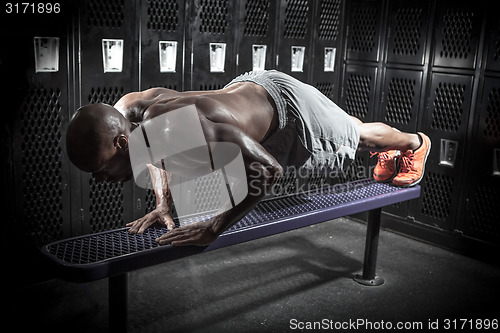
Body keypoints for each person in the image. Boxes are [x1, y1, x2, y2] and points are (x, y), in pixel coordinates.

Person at [66, 70, 431, 246]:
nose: (100, 181)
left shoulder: (170, 129)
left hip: (291, 109)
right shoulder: (127, 111)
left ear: (119, 143)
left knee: (358, 134)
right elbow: (152, 152)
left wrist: (213, 228)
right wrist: (163, 204)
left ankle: (415, 144)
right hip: (253, 87)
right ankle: (389, 146)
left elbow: (268, 169)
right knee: (350, 125)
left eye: (99, 171)